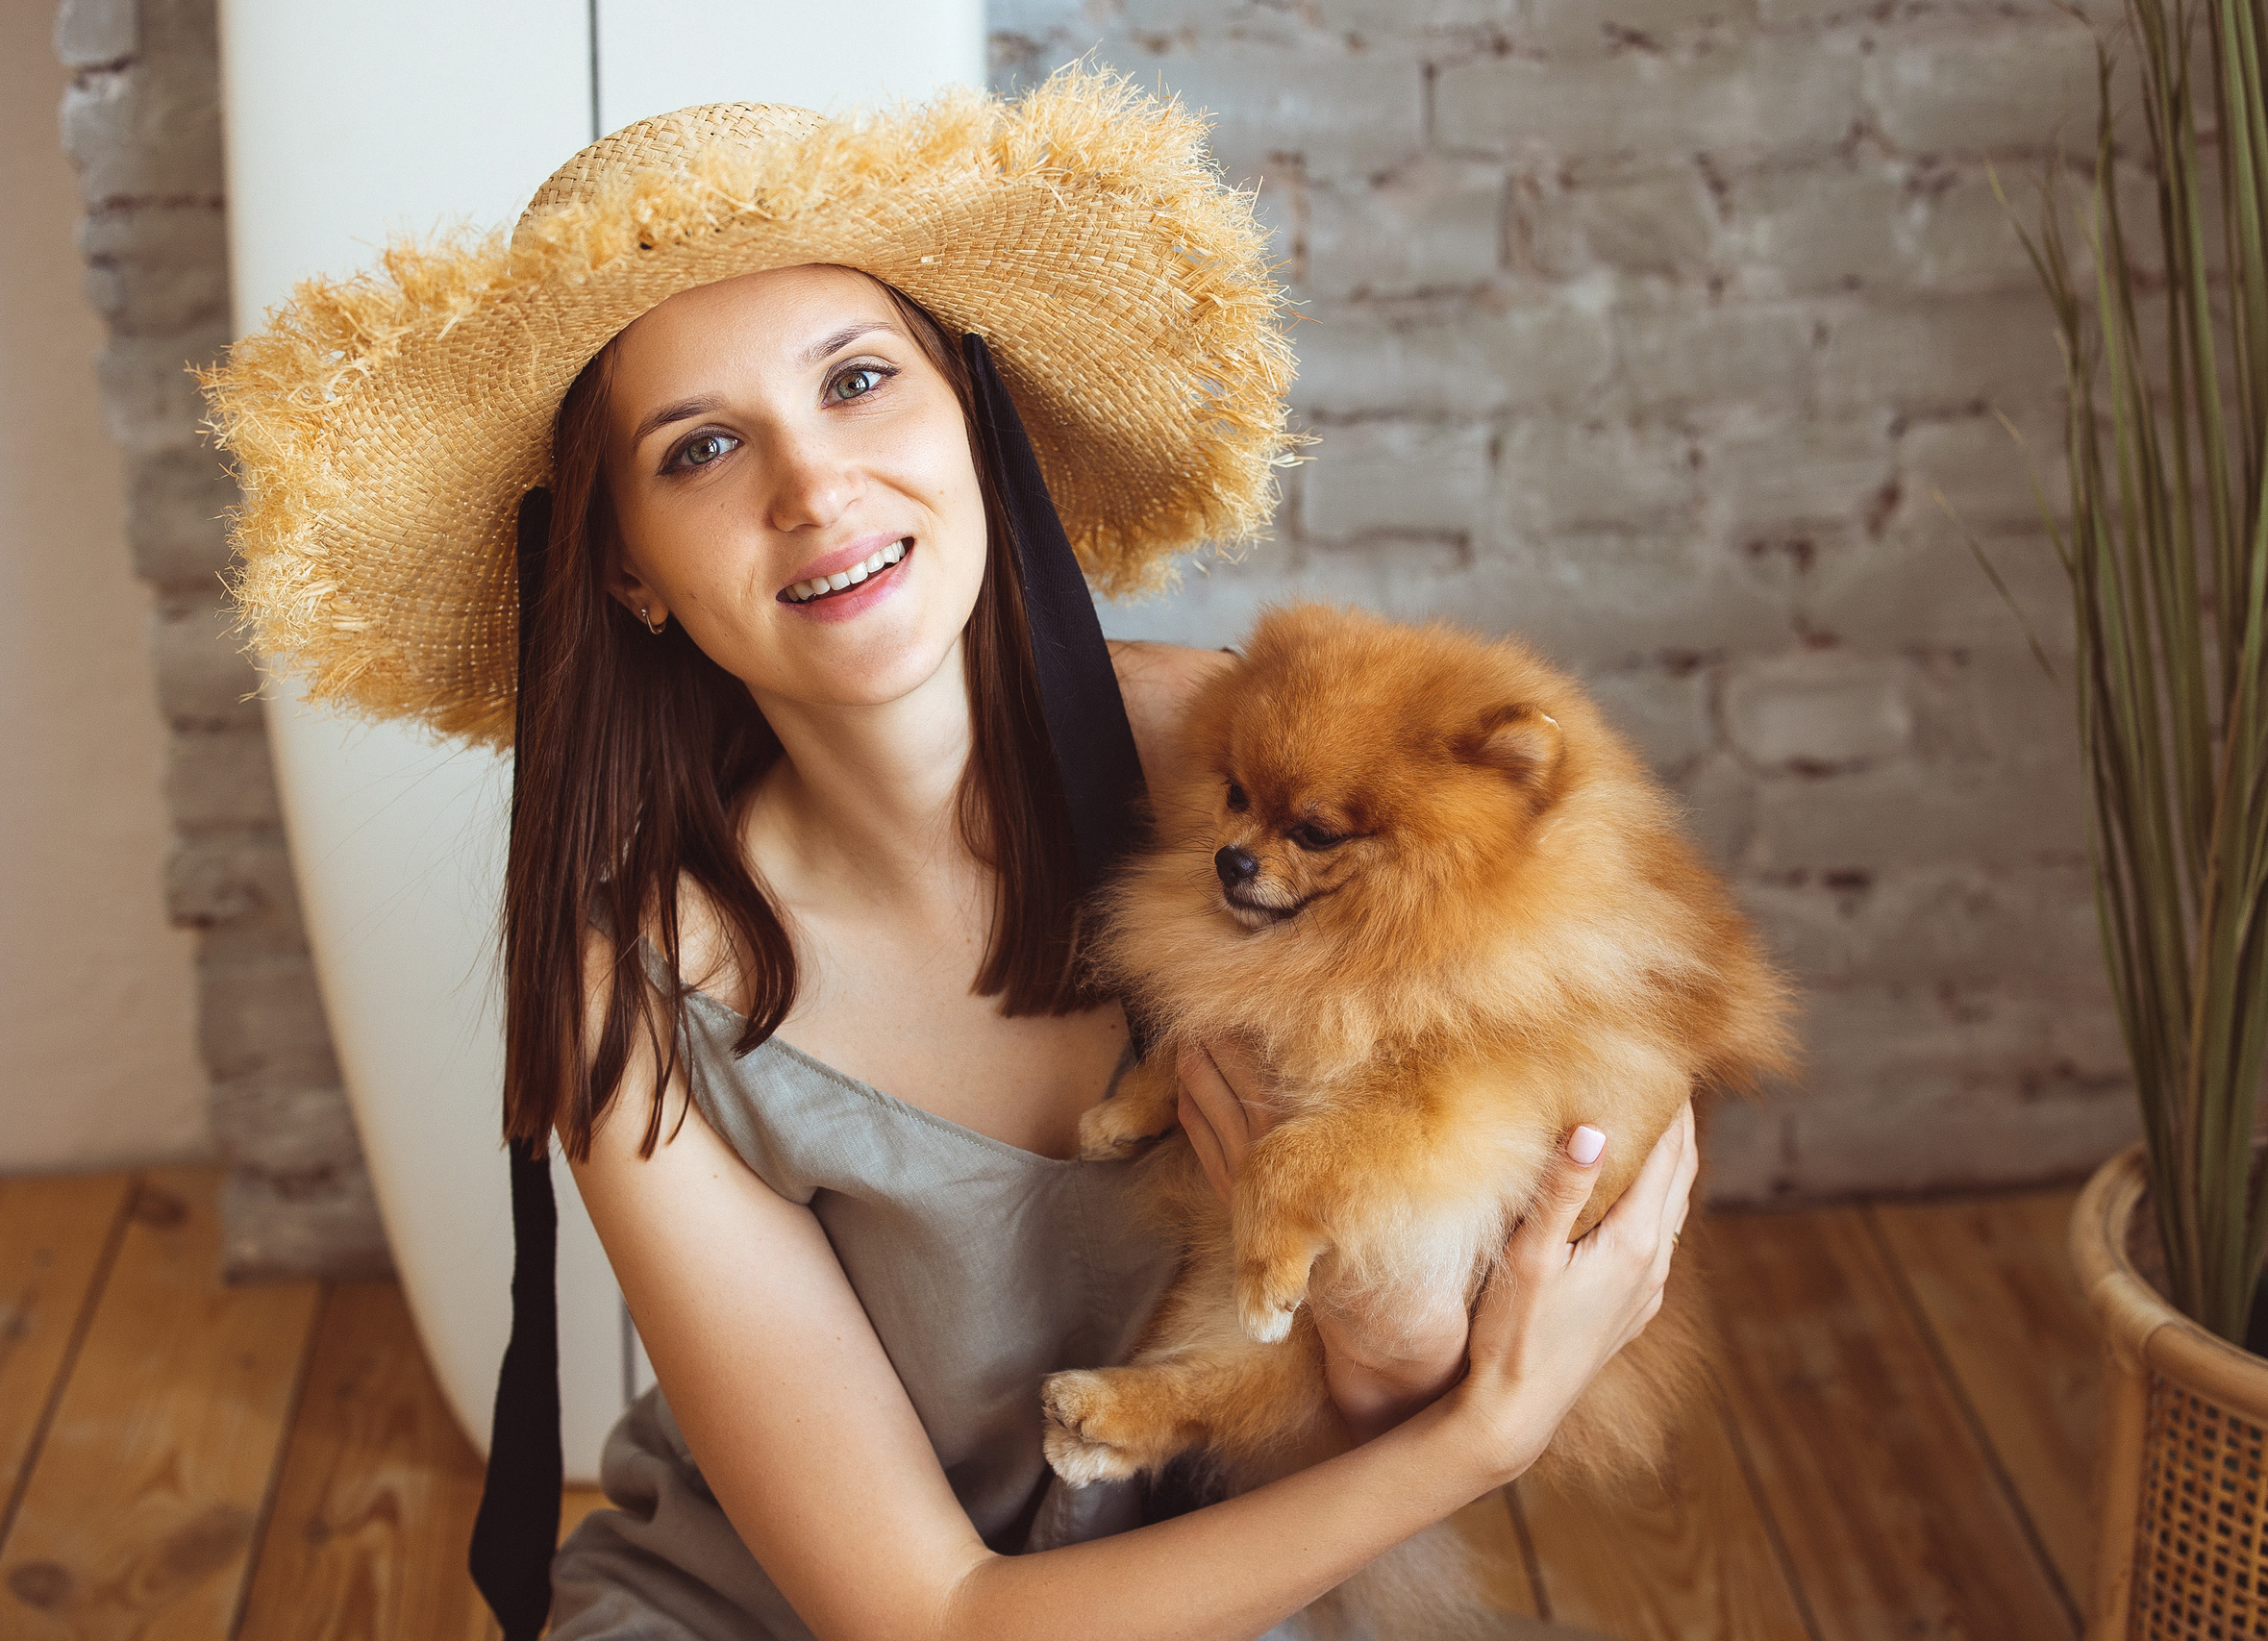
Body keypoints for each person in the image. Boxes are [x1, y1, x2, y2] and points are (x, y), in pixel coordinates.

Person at [205, 74, 1698, 1641]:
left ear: (972, 417)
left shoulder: (1244, 767)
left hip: (1239, 1585)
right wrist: (1481, 1435)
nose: (813, 486)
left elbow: (1500, 1244)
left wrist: (1411, 1364)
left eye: (858, 380)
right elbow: (933, 1617)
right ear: (630, 576)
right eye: (703, 448)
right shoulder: (640, 993)